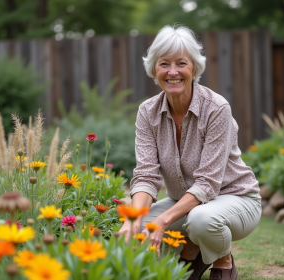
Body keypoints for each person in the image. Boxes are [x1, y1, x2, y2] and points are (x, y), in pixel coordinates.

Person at [118, 25, 261, 280]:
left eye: (181, 63)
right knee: (134, 226)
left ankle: (223, 260)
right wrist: (132, 218)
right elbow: (146, 175)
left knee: (200, 220)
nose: (172, 72)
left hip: (236, 199)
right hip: (184, 203)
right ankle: (192, 250)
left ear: (194, 68)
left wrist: (162, 221)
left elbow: (207, 183)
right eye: (164, 64)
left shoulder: (216, 108)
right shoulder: (147, 112)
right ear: (154, 70)